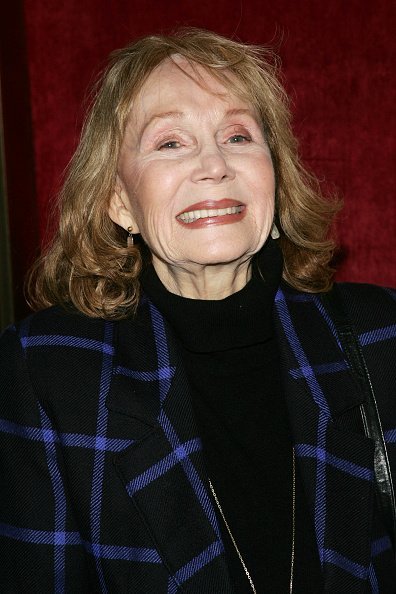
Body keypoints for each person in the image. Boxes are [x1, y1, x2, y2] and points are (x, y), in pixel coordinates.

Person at [0, 28, 395, 593]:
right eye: (170, 143)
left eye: (238, 136)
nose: (214, 165)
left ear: (274, 178)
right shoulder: (47, 373)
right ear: (120, 201)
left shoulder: (382, 339)